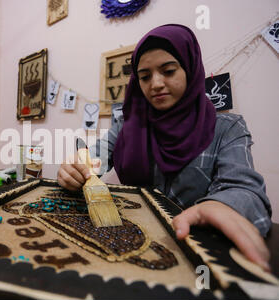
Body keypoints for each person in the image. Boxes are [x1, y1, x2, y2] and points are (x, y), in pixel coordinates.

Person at [57, 24, 272, 272]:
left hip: (193, 258)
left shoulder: (227, 128)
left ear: (190, 70)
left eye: (168, 71)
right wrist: (76, 167)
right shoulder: (128, 123)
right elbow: (94, 157)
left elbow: (245, 189)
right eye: (145, 76)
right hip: (128, 249)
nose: (156, 84)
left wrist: (221, 205)